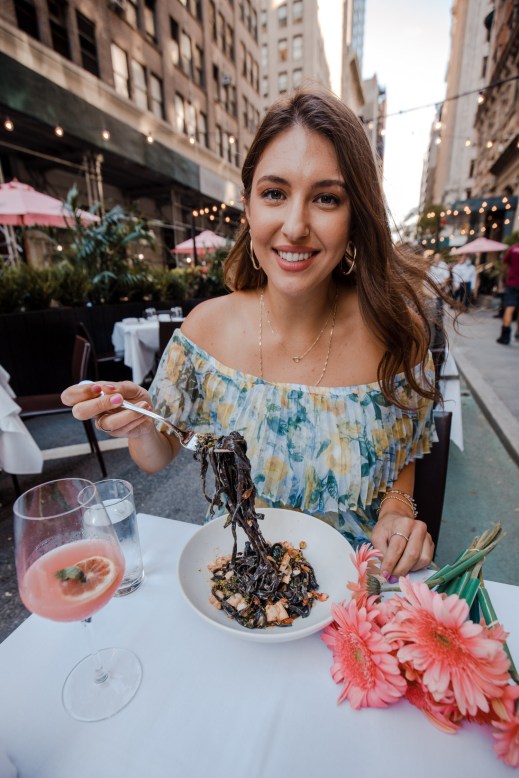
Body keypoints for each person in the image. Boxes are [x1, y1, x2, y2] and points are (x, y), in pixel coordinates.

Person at [62, 88, 447, 579]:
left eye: (326, 198)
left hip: (355, 599)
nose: (295, 225)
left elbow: (404, 453)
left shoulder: (398, 332)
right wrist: (140, 422)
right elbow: (156, 456)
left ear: (355, 217)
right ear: (248, 206)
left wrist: (398, 510)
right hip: (236, 588)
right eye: (274, 193)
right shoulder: (204, 328)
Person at [496, 242, 519, 345]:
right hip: (513, 283)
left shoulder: (513, 249)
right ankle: (517, 334)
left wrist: (503, 280)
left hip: (512, 283)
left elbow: (505, 266)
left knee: (509, 308)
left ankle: (505, 337)